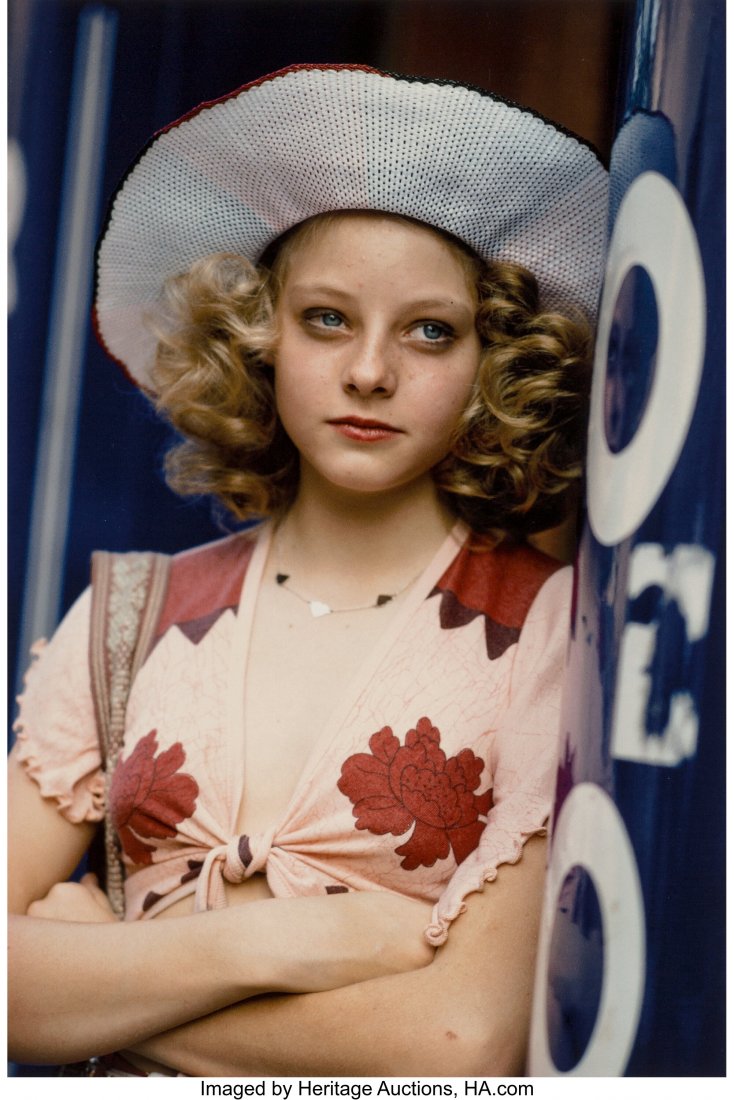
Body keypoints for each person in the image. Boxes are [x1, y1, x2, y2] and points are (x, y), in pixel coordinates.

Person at [8, 64, 608, 1077]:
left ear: (489, 364)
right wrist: (274, 942)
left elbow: (460, 1039)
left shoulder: (548, 624)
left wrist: (100, 970)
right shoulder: (129, 611)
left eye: (429, 330)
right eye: (326, 317)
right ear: (259, 336)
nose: (369, 370)